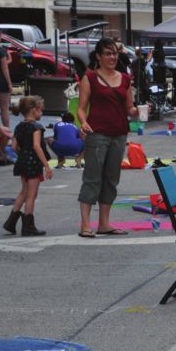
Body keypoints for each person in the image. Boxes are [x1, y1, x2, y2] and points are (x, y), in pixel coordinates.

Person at [77, 38, 139, 239]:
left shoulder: (125, 78)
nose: (112, 57)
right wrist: (83, 122)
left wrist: (139, 111)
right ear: (98, 56)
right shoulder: (90, 77)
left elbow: (129, 108)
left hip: (119, 133)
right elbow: (81, 108)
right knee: (92, 178)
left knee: (111, 179)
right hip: (97, 133)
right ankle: (85, 224)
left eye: (114, 53)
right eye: (107, 53)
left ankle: (104, 223)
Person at [3, 96, 53, 236]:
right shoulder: (36, 127)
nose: (42, 114)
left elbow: (13, 147)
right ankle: (28, 226)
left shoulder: (19, 126)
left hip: (22, 162)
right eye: (41, 111)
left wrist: (23, 154)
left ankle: (11, 222)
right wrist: (46, 165)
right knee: (32, 195)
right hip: (33, 163)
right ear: (34, 110)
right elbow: (37, 146)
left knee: (24, 192)